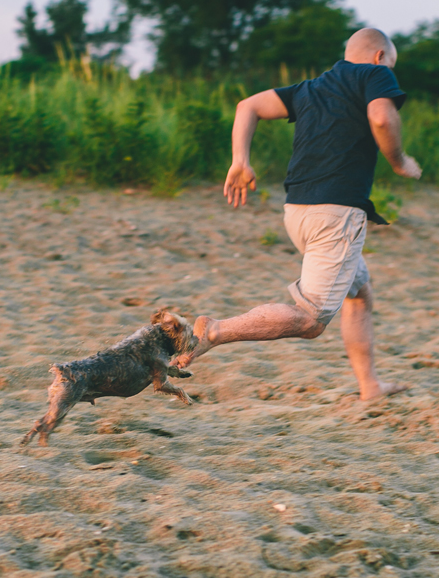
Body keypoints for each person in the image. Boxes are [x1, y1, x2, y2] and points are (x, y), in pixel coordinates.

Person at [175, 28, 422, 400]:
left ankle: (370, 385)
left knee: (360, 293)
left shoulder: (311, 88)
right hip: (336, 216)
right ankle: (214, 330)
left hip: (298, 212)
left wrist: (240, 161)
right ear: (379, 56)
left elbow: (248, 106)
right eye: (391, 63)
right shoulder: (375, 73)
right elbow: (383, 119)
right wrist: (399, 161)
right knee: (310, 320)